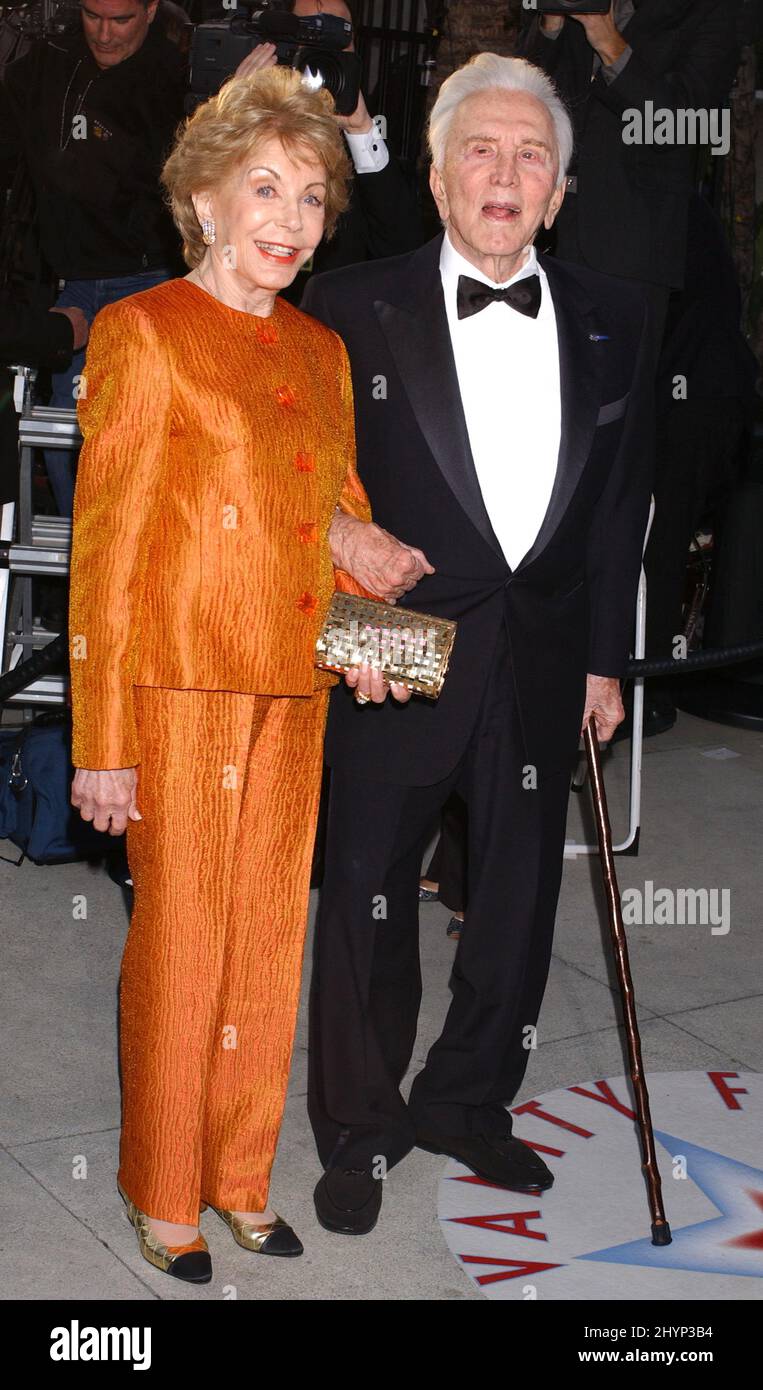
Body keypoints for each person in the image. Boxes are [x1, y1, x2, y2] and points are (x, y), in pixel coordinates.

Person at [67, 64, 414, 1282]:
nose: (288, 215)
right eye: (262, 186)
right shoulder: (143, 332)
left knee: (269, 942)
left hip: (292, 692)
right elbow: (101, 557)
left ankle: (238, 1177)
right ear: (202, 200)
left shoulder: (320, 351)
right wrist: (98, 741)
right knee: (180, 947)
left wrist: (367, 563)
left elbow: (331, 507)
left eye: (312, 196)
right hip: (173, 694)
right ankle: (165, 1191)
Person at [302, 51, 655, 1235]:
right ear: (440, 177)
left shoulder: (616, 315)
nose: (505, 175)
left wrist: (605, 657)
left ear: (559, 191)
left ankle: (465, 1101)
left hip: (544, 653)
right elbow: (308, 483)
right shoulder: (351, 304)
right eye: (481, 151)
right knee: (367, 899)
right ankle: (355, 1127)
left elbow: (617, 511)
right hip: (391, 644)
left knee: (512, 907)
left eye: (532, 156)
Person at [0, 0, 187, 515]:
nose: (104, 34)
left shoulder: (177, 79)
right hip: (70, 282)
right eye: (92, 16)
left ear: (151, 10)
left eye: (120, 19)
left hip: (150, 281)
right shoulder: (45, 65)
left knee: (145, 447)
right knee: (69, 446)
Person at [233, 0, 424, 303]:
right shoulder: (243, 117)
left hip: (335, 324)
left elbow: (405, 246)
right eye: (310, 34)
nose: (325, 50)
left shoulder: (372, 124)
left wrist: (361, 130)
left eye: (339, 37)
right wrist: (237, 115)